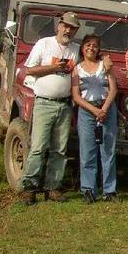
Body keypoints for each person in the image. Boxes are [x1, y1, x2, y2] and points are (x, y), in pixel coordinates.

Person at [20, 11, 81, 205]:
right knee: (38, 147)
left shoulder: (75, 49)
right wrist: (55, 68)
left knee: (60, 150)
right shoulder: (44, 44)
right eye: (65, 26)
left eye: (72, 28)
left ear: (76, 30)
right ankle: (29, 188)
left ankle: (52, 187)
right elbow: (29, 69)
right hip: (44, 102)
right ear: (59, 26)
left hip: (64, 105)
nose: (68, 30)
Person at [71, 35, 118, 203]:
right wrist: (94, 110)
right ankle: (88, 190)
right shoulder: (77, 69)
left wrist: (103, 109)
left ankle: (109, 190)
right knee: (88, 151)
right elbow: (76, 96)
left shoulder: (105, 65)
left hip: (107, 108)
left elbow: (113, 89)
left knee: (108, 151)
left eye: (95, 46)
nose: (92, 48)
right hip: (87, 110)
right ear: (82, 48)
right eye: (88, 45)